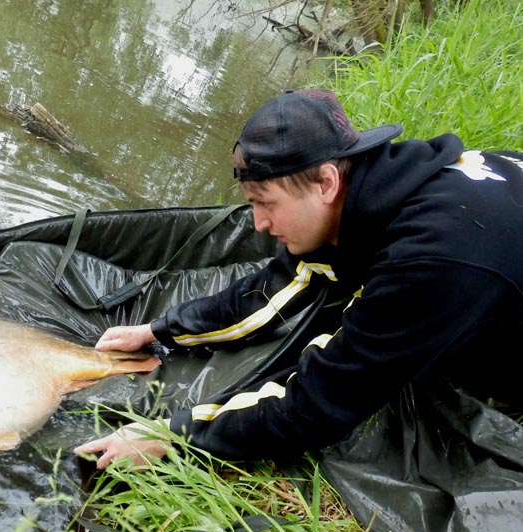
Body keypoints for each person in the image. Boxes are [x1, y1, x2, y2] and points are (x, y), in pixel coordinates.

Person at [74, 88, 523, 469]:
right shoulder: (375, 187)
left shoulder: (430, 259)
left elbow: (318, 405)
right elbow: (275, 287)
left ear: (326, 181)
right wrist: (159, 329)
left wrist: (171, 436)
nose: (258, 224)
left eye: (265, 203)